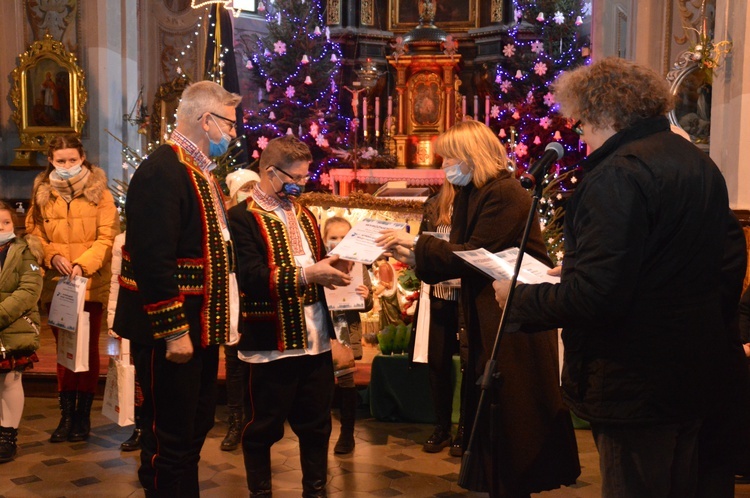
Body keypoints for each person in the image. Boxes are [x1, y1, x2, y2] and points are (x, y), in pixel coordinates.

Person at [492, 57, 747, 498]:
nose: (583, 135)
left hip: (633, 381)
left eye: (584, 124)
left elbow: (598, 298)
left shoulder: (616, 174)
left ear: (605, 114)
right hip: (693, 375)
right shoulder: (696, 163)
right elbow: (718, 262)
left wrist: (517, 299)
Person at [379, 120, 580, 497]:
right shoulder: (473, 192)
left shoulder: (506, 193)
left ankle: (513, 483)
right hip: (489, 316)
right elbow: (463, 255)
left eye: (450, 158)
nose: (445, 167)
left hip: (516, 320)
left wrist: (418, 246)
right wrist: (415, 252)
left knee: (515, 415)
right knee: (492, 415)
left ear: (472, 156)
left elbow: (476, 254)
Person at [113, 80, 242, 496]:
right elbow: (153, 260)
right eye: (231, 124)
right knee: (167, 437)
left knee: (192, 430)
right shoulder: (162, 170)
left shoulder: (199, 172)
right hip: (172, 333)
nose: (235, 133)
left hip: (199, 330)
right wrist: (175, 331)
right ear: (207, 121)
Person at [228, 135, 351, 497]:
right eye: (294, 177)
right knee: (262, 427)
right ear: (270, 171)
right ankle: (260, 493)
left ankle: (315, 491)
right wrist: (308, 275)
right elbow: (250, 275)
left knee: (316, 426)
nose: (300, 185)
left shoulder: (305, 213)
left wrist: (331, 268)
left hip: (315, 341)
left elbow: (311, 265)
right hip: (271, 341)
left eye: (304, 176)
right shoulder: (243, 217)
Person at [27, 135, 119, 444]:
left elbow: (107, 236)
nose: (67, 165)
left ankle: (82, 417)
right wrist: (52, 255)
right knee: (66, 352)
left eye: (72, 159)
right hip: (58, 285)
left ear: (83, 158)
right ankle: (66, 415)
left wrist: (82, 263)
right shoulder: (42, 192)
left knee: (87, 351)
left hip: (88, 283)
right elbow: (34, 232)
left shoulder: (99, 193)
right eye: (60, 160)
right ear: (51, 160)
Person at [414, 193, 466, 456]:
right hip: (439, 296)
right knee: (438, 362)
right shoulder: (435, 203)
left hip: (466, 298)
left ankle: (465, 429)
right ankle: (442, 427)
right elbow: (424, 244)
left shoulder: (478, 197)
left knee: (470, 364)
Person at [322, 216, 374, 455]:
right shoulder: (318, 264)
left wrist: (366, 297)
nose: (339, 242)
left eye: (344, 237)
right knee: (320, 382)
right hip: (323, 329)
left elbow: (366, 305)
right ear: (324, 240)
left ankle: (347, 433)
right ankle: (320, 431)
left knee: (346, 381)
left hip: (345, 330)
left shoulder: (358, 265)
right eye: (334, 237)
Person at [220, 168, 260, 452]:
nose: (248, 194)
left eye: (252, 187)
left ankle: (257, 418)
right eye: (243, 189)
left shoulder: (264, 220)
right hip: (232, 300)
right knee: (234, 363)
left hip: (258, 300)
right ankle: (235, 421)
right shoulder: (225, 224)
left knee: (258, 361)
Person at [0, 202, 43, 463]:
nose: (0, 227)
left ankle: (8, 435)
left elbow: (29, 290)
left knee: (9, 381)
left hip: (13, 325)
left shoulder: (24, 251)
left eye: (5, 222)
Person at [106, 231, 143, 452]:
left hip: (163, 313)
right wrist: (113, 321)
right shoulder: (123, 239)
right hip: (135, 314)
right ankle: (140, 427)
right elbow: (116, 282)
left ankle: (159, 426)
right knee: (136, 376)